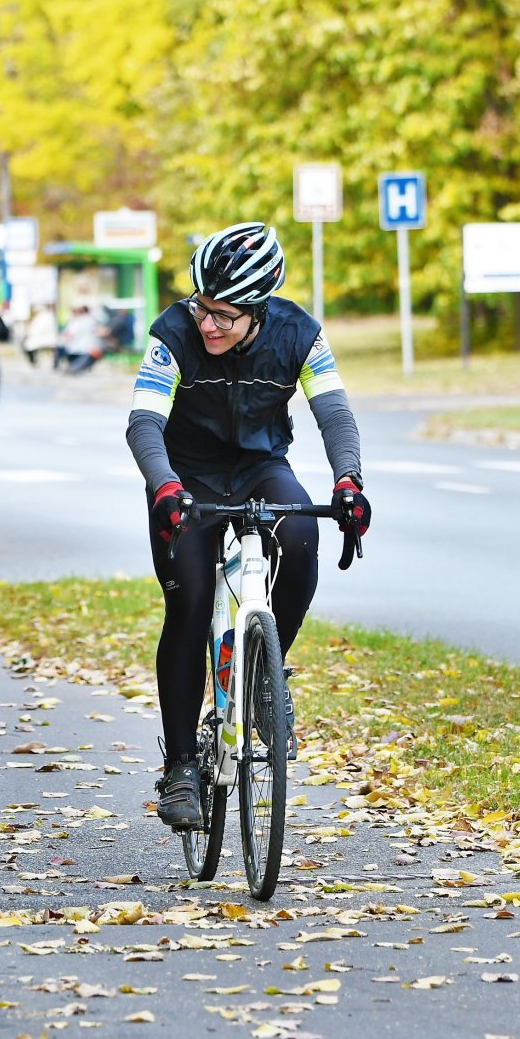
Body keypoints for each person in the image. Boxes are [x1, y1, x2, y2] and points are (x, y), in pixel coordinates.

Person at [125, 222, 370, 829]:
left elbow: (334, 414)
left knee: (303, 534)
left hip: (261, 468)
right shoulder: (172, 334)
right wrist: (164, 486)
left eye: (224, 316)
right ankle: (181, 766)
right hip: (186, 478)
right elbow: (143, 422)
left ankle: (265, 673)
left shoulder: (299, 336)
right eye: (201, 308)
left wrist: (349, 482)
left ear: (257, 310)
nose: (208, 324)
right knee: (189, 605)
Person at [20, 303, 59, 368]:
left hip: (45, 338)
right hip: (40, 337)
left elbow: (38, 330)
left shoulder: (46, 316)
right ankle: (33, 361)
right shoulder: (41, 316)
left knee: (29, 345)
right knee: (27, 344)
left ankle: (33, 362)